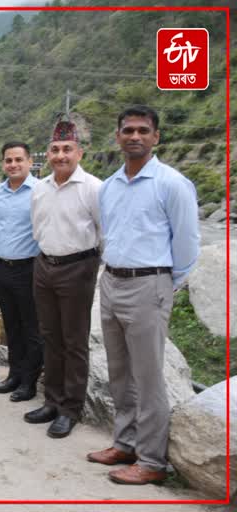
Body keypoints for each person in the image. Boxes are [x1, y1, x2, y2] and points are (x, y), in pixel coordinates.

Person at [88, 106, 200, 485]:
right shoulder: (110, 186)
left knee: (148, 375)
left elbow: (187, 245)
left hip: (149, 285)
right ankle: (126, 442)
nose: (134, 136)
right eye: (128, 130)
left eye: (143, 130)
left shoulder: (171, 183)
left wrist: (164, 284)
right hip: (112, 281)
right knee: (120, 372)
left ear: (156, 137)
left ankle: (152, 461)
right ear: (117, 137)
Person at [26, 119, 102, 439]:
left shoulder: (94, 188)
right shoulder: (39, 189)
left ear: (79, 153)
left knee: (74, 341)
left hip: (78, 268)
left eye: (67, 149)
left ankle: (71, 409)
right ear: (48, 153)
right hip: (44, 266)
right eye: (55, 150)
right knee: (50, 337)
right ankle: (52, 401)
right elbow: (37, 228)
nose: (60, 155)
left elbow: (104, 233)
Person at [0, 141, 43, 402]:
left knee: (32, 327)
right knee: (11, 326)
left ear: (30, 162)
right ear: (3, 163)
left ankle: (29, 382)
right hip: (3, 267)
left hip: (30, 267)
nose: (13, 164)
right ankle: (14, 375)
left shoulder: (40, 191)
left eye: (19, 159)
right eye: (8, 160)